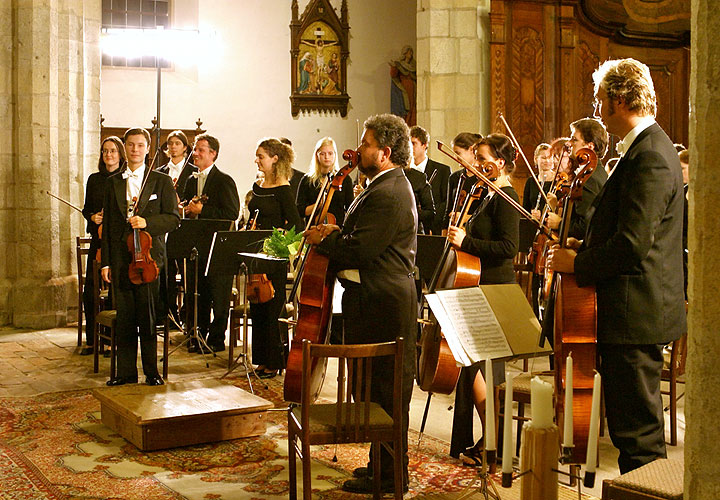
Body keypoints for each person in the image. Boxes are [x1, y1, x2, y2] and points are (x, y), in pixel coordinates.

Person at [548, 58, 686, 473]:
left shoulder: (653, 155)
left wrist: (578, 262)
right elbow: (627, 229)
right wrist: (585, 242)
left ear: (620, 99)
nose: (595, 109)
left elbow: (633, 244)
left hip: (635, 315)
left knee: (639, 438)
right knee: (631, 431)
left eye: (599, 99)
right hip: (629, 311)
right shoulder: (644, 150)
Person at [304, 113, 417, 494]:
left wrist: (323, 240)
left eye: (366, 144)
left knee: (386, 393)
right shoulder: (379, 185)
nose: (360, 149)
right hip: (370, 301)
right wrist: (338, 231)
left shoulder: (388, 191)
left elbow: (363, 249)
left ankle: (390, 476)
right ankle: (378, 466)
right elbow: (360, 235)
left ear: (384, 153)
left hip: (383, 303)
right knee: (371, 392)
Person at [445, 134, 520, 462]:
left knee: (484, 369)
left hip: (496, 290)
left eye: (483, 158)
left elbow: (508, 248)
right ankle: (490, 442)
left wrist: (466, 242)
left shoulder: (506, 196)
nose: (476, 164)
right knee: (475, 367)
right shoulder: (488, 193)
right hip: (479, 287)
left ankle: (496, 443)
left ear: (500, 163)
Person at [101, 128, 180, 386]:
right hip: (122, 259)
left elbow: (173, 219)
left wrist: (147, 223)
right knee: (125, 318)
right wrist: (107, 262)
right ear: (125, 148)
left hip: (148, 260)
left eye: (140, 145)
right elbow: (111, 228)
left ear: (148, 149)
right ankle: (125, 373)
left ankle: (152, 372)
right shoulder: (113, 182)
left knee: (147, 317)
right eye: (131, 145)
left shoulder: (160, 181)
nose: (135, 150)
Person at [248, 138, 303, 378]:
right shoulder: (258, 186)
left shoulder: (283, 189)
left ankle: (276, 360)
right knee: (257, 306)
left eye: (261, 156)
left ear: (275, 159)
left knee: (273, 308)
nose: (257, 160)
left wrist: (279, 237)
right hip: (256, 254)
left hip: (275, 255)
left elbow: (295, 225)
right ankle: (261, 359)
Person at [182, 133, 240, 352]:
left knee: (219, 295)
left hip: (219, 248)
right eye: (195, 149)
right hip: (196, 246)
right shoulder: (190, 180)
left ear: (213, 154)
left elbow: (231, 212)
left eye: (200, 150)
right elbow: (188, 209)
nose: (195, 153)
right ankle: (197, 336)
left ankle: (216, 339)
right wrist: (187, 210)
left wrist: (202, 210)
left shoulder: (224, 180)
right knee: (198, 295)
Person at [80, 136, 126, 355]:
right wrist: (93, 217)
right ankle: (93, 338)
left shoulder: (125, 178)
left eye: (113, 151)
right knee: (90, 291)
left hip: (117, 243)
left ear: (120, 154)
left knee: (115, 292)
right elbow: (86, 209)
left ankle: (111, 340)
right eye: (105, 151)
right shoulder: (94, 179)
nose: (109, 155)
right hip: (99, 242)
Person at [157, 130, 197, 326]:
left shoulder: (192, 170)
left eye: (177, 143)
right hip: (166, 227)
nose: (173, 147)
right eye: (170, 143)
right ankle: (169, 313)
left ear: (185, 147)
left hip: (185, 226)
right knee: (167, 272)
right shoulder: (160, 171)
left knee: (187, 273)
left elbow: (194, 195)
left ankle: (186, 314)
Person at [295, 137, 353, 228]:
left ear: (335, 155)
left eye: (330, 153)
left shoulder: (344, 179)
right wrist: (318, 205)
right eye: (322, 154)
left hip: (337, 230)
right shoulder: (307, 180)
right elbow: (299, 211)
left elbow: (350, 209)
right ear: (317, 155)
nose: (327, 157)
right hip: (313, 229)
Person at [410, 125, 450, 234]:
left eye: (413, 143)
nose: (409, 147)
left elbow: (446, 202)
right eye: (407, 144)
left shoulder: (443, 170)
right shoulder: (404, 172)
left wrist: (425, 215)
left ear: (424, 145)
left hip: (433, 228)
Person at [444, 132, 483, 230]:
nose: (456, 157)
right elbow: (448, 209)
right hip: (454, 230)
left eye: (458, 153)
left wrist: (464, 217)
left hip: (475, 231)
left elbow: (486, 215)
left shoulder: (484, 179)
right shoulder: (454, 177)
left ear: (471, 150)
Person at [390, 45, 417, 126]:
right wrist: (393, 67)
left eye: (411, 52)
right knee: (405, 108)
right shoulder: (399, 64)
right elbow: (394, 75)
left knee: (412, 108)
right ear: (405, 53)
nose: (410, 54)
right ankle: (405, 125)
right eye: (409, 52)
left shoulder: (413, 66)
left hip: (412, 90)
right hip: (403, 90)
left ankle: (411, 125)